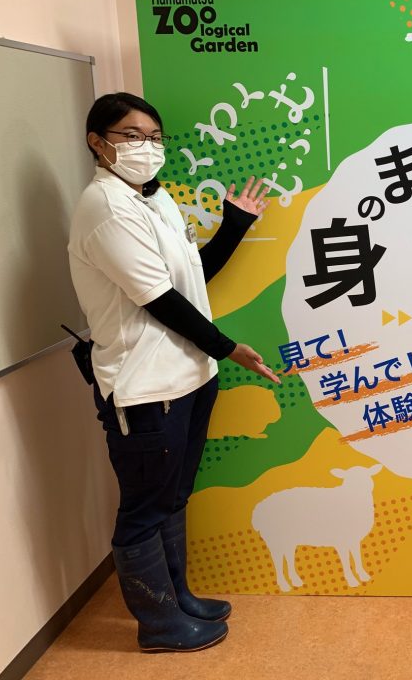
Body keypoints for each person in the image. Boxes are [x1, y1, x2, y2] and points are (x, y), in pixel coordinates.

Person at [68, 92, 282, 652]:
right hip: (145, 387)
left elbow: (189, 280)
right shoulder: (106, 209)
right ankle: (158, 624)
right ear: (97, 142)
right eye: (132, 136)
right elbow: (160, 301)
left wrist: (234, 226)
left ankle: (177, 598)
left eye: (155, 137)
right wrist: (228, 348)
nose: (147, 146)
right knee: (145, 506)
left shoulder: (154, 199)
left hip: (189, 376)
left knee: (172, 495)